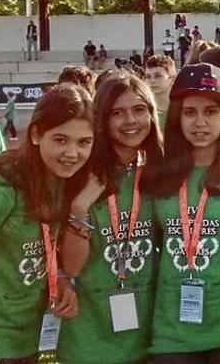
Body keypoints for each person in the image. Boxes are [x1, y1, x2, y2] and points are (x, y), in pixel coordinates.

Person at [0, 84, 94, 363]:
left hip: (30, 341)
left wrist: (63, 282)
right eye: (60, 139)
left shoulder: (65, 181)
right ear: (35, 135)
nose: (72, 152)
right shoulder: (1, 188)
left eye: (84, 142)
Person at [142, 63, 220, 363]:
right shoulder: (158, 175)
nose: (200, 122)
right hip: (173, 328)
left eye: (210, 112)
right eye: (190, 112)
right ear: (176, 117)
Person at [58, 74, 164, 364]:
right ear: (102, 119)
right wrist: (80, 207)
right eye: (117, 112)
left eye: (139, 109)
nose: (130, 120)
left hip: (148, 333)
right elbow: (72, 267)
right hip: (89, 335)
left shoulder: (159, 172)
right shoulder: (81, 172)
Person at [144, 55, 176, 124]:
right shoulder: (144, 111)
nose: (152, 81)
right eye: (148, 77)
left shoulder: (180, 111)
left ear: (172, 79)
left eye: (158, 76)